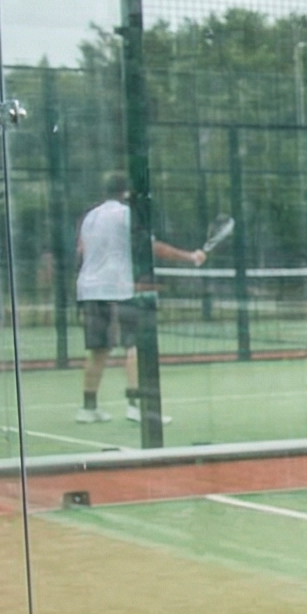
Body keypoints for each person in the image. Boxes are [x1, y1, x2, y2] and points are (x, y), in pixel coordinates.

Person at [73, 172, 203, 425]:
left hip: (89, 289)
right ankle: (136, 407)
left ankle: (88, 408)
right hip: (118, 290)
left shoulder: (90, 217)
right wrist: (191, 257)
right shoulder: (126, 215)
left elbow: (82, 249)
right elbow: (153, 247)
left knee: (97, 350)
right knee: (133, 347)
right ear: (127, 192)